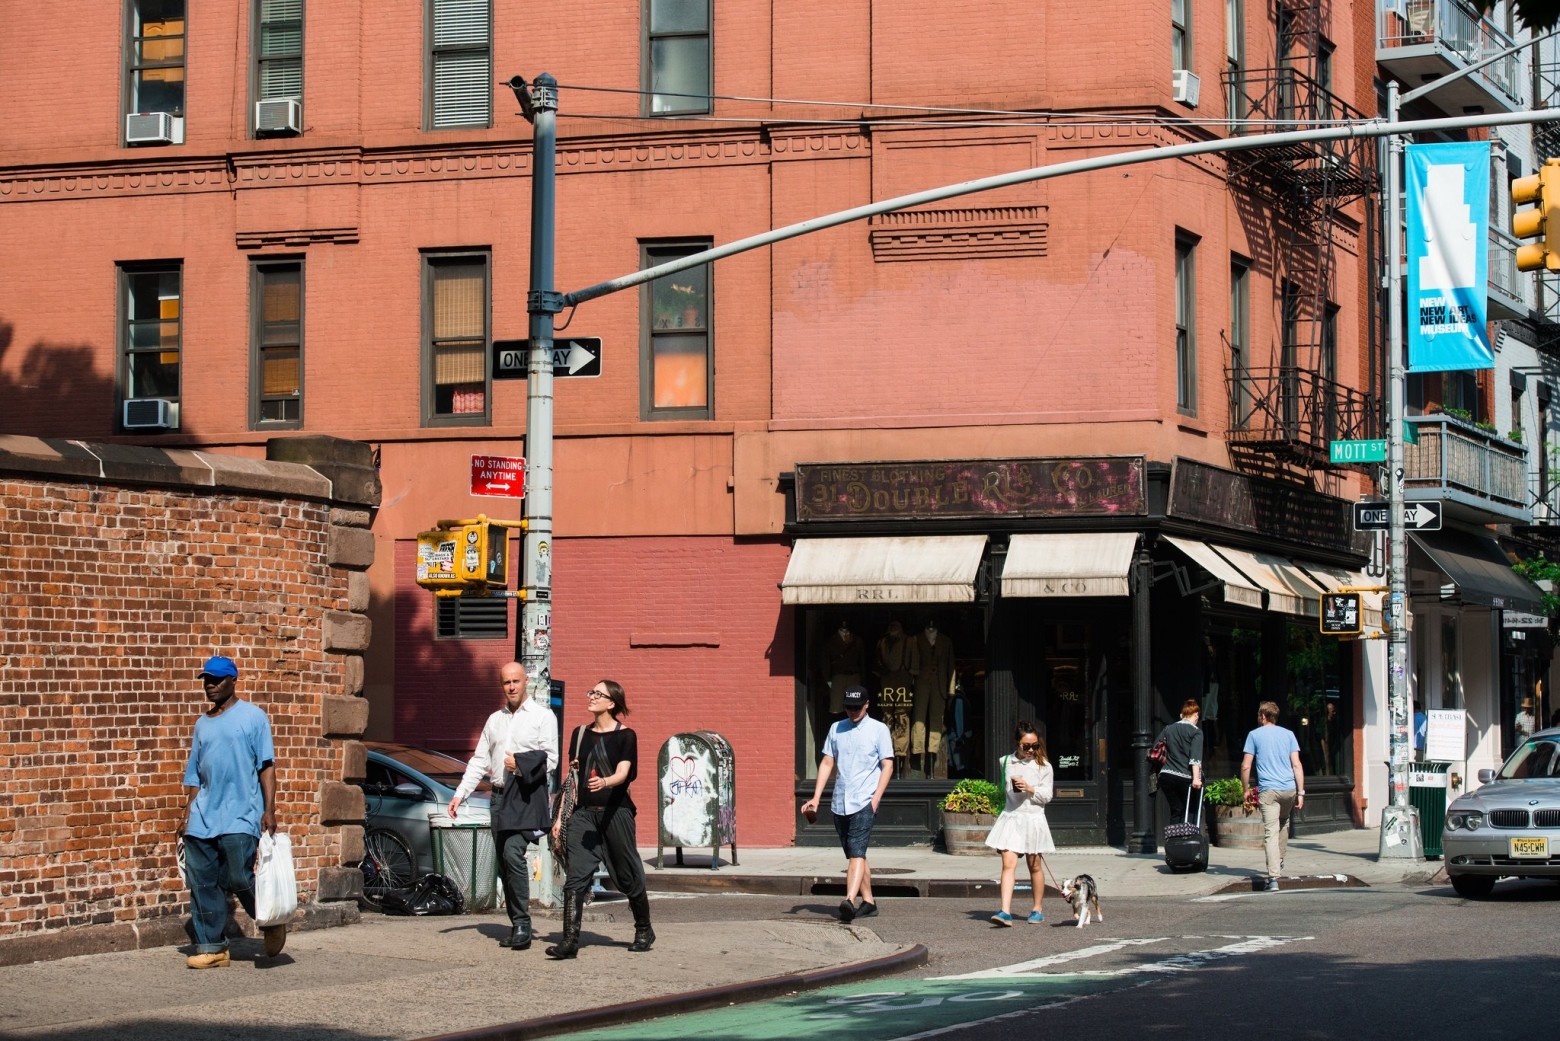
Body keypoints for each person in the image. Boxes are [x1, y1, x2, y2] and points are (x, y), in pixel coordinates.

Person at [177, 654, 285, 969]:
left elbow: (266, 766)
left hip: (241, 812)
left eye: (217, 679)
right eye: (206, 680)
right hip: (203, 815)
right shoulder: (202, 724)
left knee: (239, 877)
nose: (210, 685)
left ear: (233, 680)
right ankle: (213, 948)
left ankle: (270, 921)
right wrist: (187, 814)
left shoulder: (253, 717)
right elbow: (195, 774)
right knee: (202, 882)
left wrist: (269, 809)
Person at [449, 661, 559, 951]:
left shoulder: (543, 716)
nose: (511, 687)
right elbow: (479, 760)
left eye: (516, 681)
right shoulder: (494, 720)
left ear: (526, 682)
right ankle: (516, 922)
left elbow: (551, 758)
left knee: (512, 853)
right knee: (504, 861)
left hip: (524, 797)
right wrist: (460, 794)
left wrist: (519, 764)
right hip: (498, 797)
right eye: (506, 682)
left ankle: (522, 924)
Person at [546, 680, 653, 959]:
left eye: (597, 693)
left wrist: (605, 782)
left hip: (616, 813)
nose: (591, 697)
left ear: (611, 703)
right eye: (590, 692)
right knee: (576, 877)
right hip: (583, 816)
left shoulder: (626, 736)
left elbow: (624, 773)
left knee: (627, 875)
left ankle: (644, 929)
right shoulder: (580, 734)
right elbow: (572, 779)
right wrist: (560, 818)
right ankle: (570, 941)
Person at [801, 684, 895, 923]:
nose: (852, 711)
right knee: (856, 853)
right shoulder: (836, 728)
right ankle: (869, 902)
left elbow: (888, 765)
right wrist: (816, 798)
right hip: (840, 802)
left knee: (857, 853)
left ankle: (850, 900)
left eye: (857, 707)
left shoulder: (879, 729)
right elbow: (827, 763)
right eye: (848, 707)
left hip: (864, 800)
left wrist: (875, 799)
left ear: (867, 705)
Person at [985, 722, 1055, 925]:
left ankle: (1037, 908)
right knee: (1008, 864)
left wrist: (1030, 789)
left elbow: (1047, 796)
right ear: (1017, 743)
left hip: (1033, 818)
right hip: (1012, 817)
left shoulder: (1044, 766)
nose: (1031, 750)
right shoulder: (1005, 761)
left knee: (1035, 866)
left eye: (1035, 745)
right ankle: (1005, 911)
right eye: (1026, 746)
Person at [1240, 701, 1305, 892]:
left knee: (1271, 832)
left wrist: (1246, 789)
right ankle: (1280, 858)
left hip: (1269, 790)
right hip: (1289, 789)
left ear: (1263, 716)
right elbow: (1297, 765)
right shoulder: (1289, 734)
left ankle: (1273, 877)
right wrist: (1301, 792)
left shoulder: (1254, 735)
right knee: (1283, 822)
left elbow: (1246, 766)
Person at [1154, 699, 1204, 826]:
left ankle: (1174, 837)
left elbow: (1155, 747)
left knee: (1176, 810)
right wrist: (1196, 778)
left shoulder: (1168, 729)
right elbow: (1195, 757)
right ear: (1196, 715)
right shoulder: (1196, 732)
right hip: (1185, 776)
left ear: (1182, 715)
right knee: (1190, 810)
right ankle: (1187, 837)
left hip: (1166, 775)